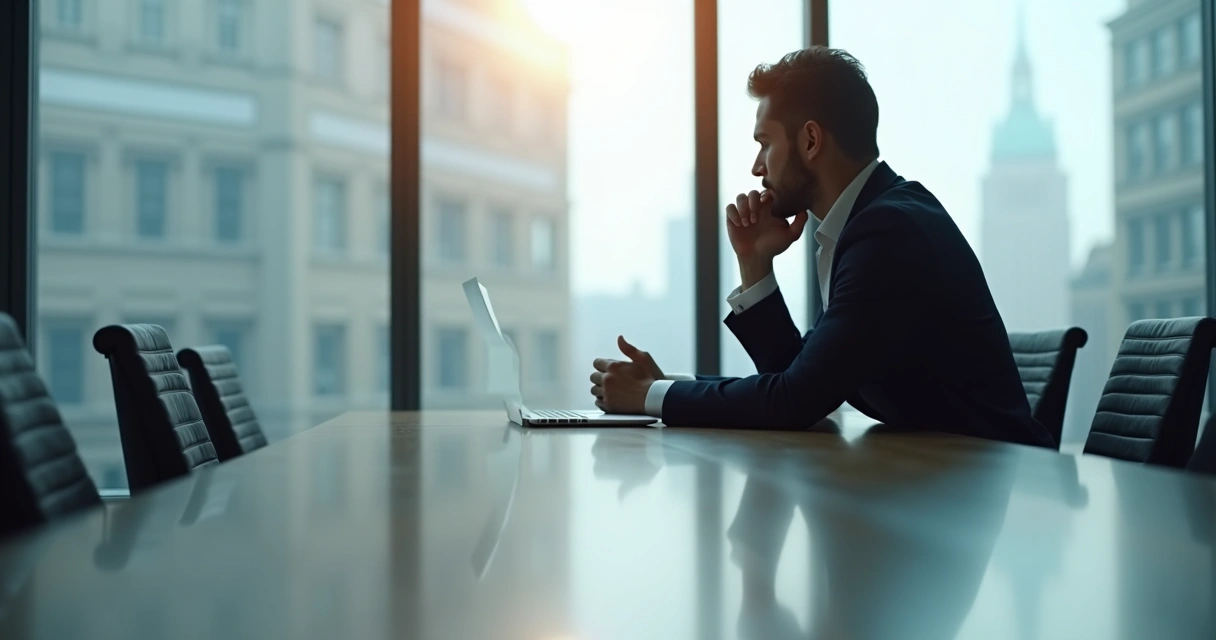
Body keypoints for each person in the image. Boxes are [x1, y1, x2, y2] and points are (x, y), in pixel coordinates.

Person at [589, 46, 1055, 448]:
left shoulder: (889, 232)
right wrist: (755, 265)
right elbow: (804, 377)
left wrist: (651, 397)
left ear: (810, 140)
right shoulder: (867, 222)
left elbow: (796, 399)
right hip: (950, 480)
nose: (756, 168)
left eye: (765, 143)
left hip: (1000, 488)